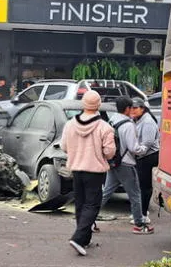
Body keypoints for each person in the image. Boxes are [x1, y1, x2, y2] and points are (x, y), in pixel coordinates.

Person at [60, 90, 116, 256]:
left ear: (83, 104)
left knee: (80, 203)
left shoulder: (70, 124)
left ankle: (84, 239)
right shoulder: (104, 127)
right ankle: (78, 238)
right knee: (92, 204)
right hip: (94, 171)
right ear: (98, 105)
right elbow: (110, 152)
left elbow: (64, 146)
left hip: (76, 168)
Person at [100, 97, 154, 234]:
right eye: (131, 107)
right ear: (127, 109)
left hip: (113, 162)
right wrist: (144, 149)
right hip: (126, 164)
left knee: (106, 192)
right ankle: (139, 225)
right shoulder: (128, 125)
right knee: (135, 195)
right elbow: (133, 148)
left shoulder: (112, 120)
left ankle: (88, 218)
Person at [131, 97, 161, 225]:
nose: (133, 110)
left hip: (148, 156)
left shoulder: (147, 121)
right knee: (140, 186)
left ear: (142, 109)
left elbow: (147, 144)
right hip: (141, 156)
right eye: (131, 108)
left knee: (145, 187)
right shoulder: (138, 119)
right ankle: (141, 212)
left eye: (135, 108)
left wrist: (135, 151)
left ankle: (143, 214)